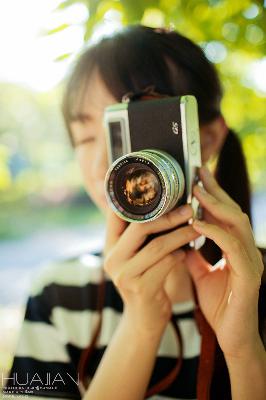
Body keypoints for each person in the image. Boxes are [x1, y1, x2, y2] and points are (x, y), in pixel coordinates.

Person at [4, 25, 266, 400]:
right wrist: (142, 323)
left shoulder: (256, 285)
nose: (102, 164)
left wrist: (244, 352)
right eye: (86, 138)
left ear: (205, 139)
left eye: (122, 133)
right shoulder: (58, 296)